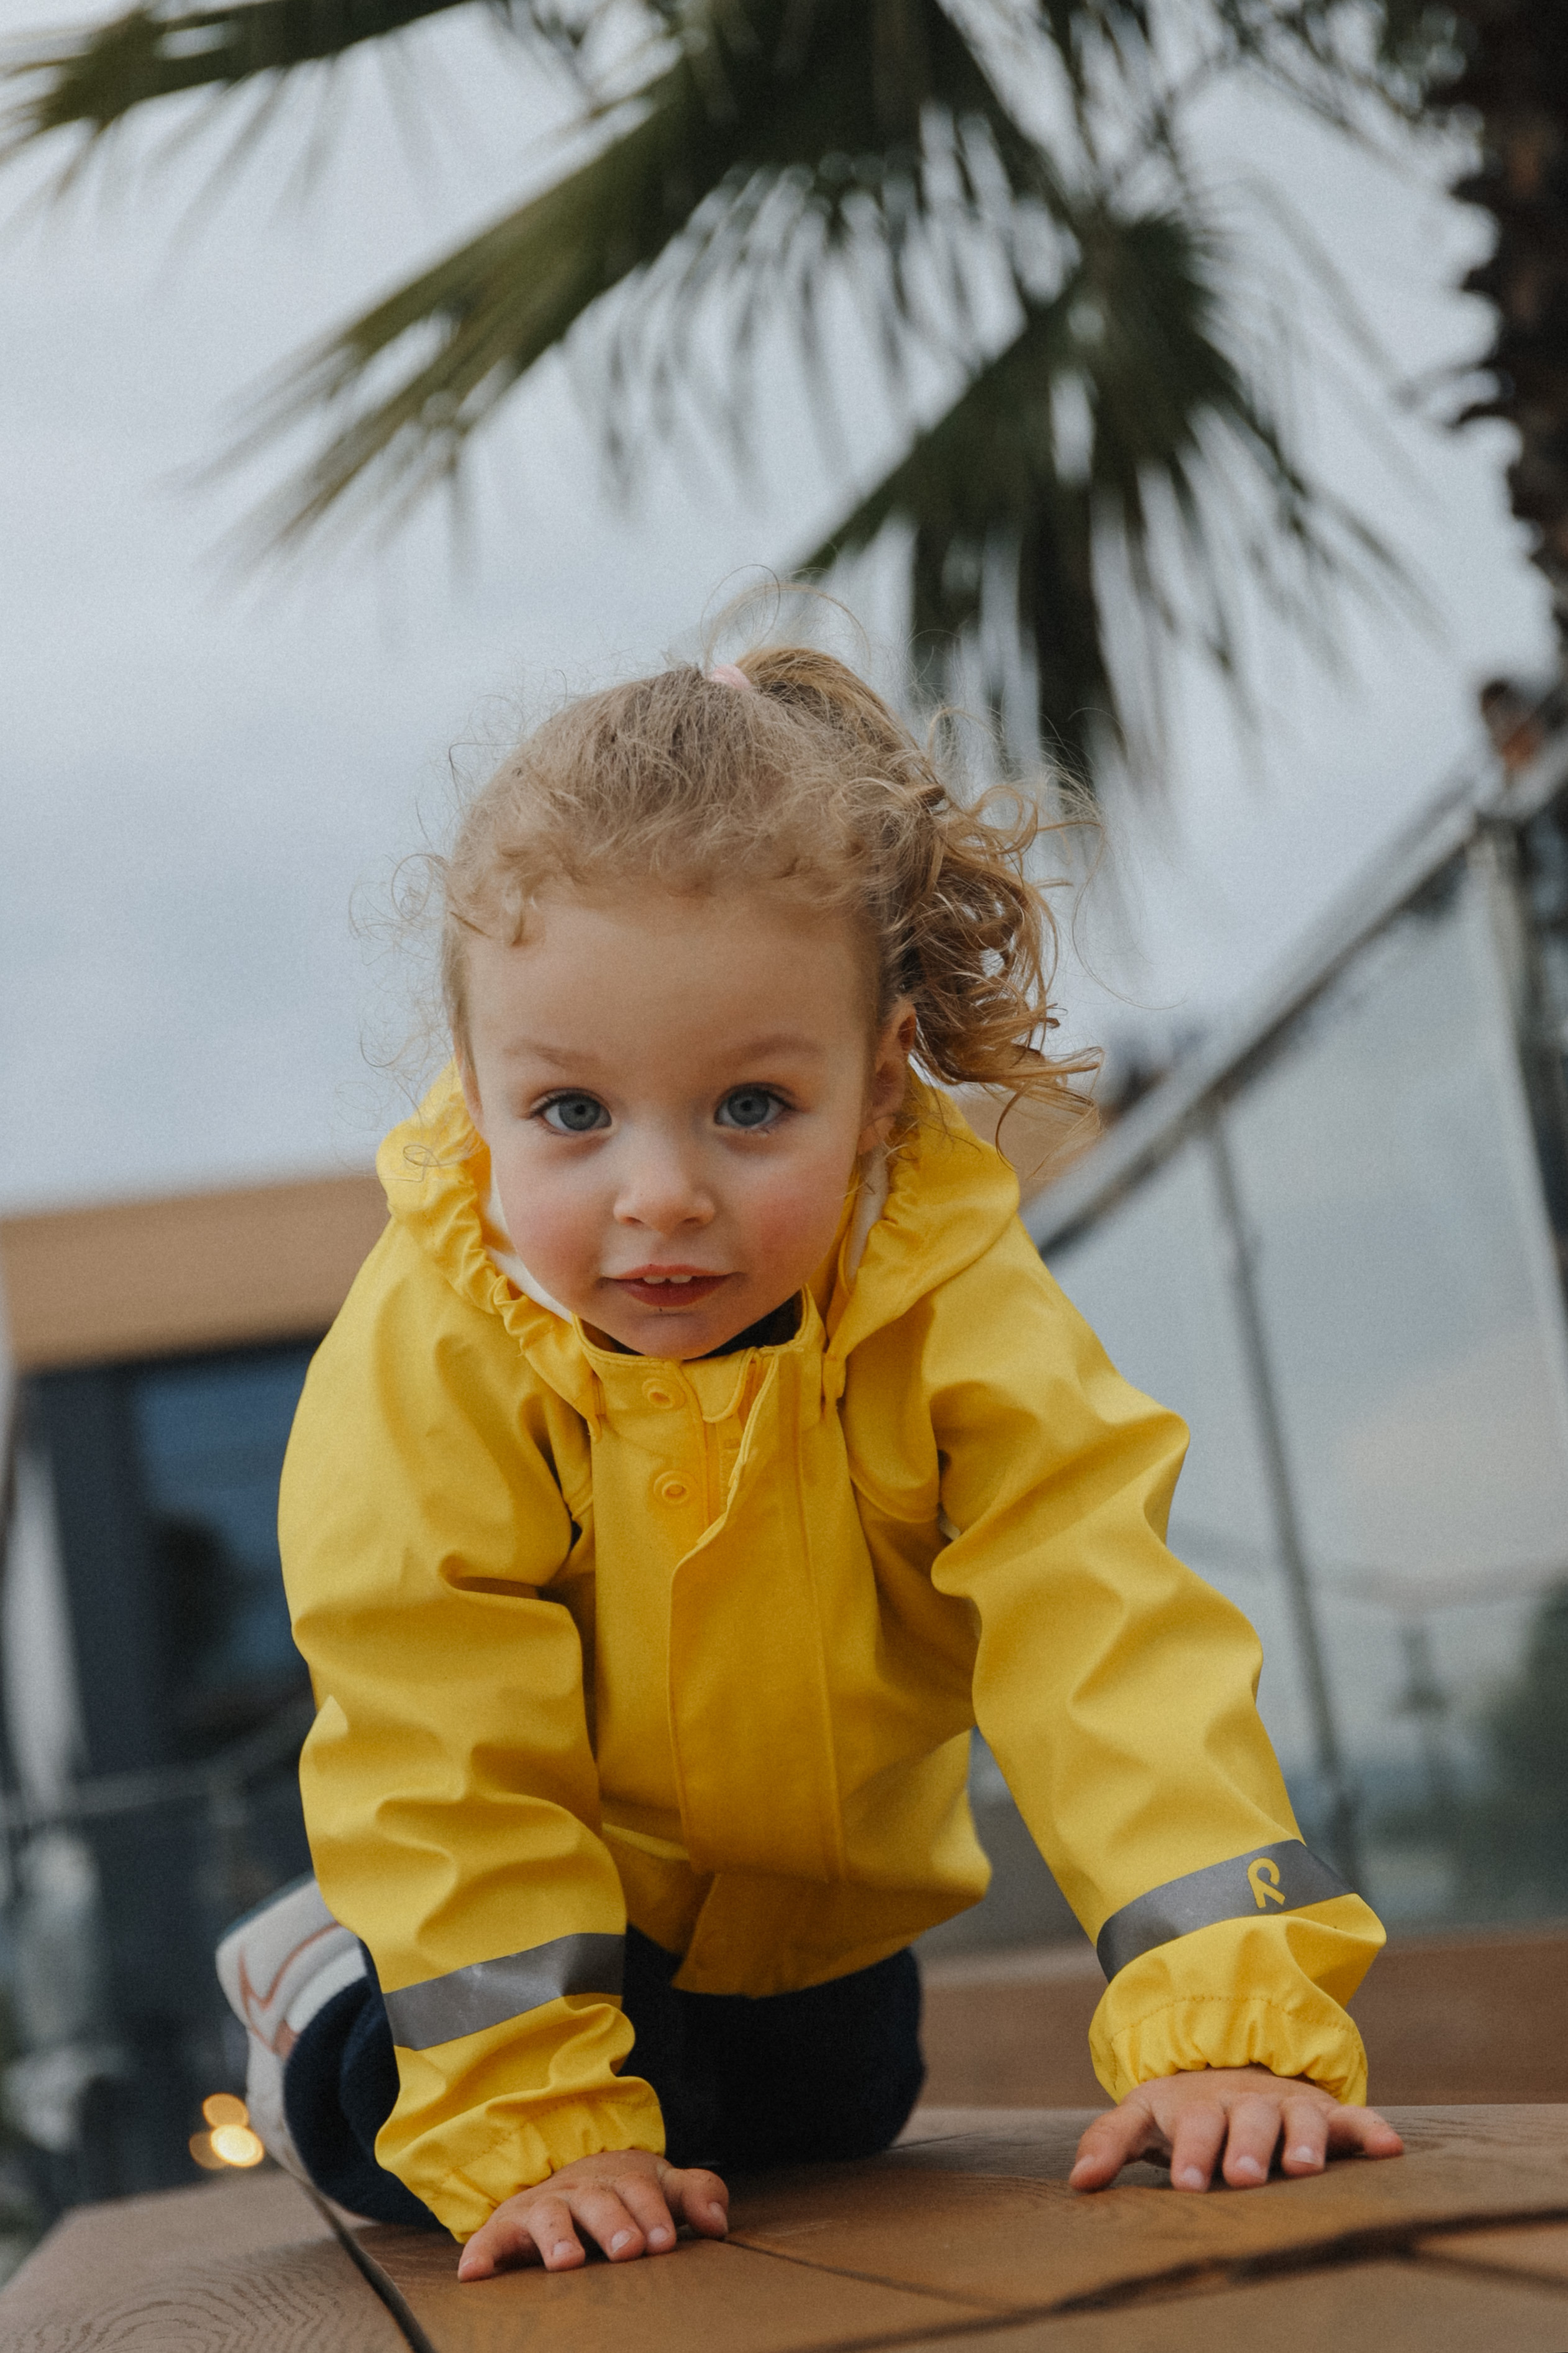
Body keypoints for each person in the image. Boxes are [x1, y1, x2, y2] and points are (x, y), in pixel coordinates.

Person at [219, 646, 1400, 2278]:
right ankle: (313, 1977)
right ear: (476, 1080)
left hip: (806, 1912)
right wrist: (531, 2121)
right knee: (421, 2145)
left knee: (833, 2118)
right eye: (571, 1112)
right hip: (545, 1888)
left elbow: (1097, 1625)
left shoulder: (945, 1298)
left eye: (749, 1103)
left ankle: (654, 2067)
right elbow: (437, 1713)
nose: (659, 1194)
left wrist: (1223, 2012)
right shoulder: (443, 1336)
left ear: (876, 1085)